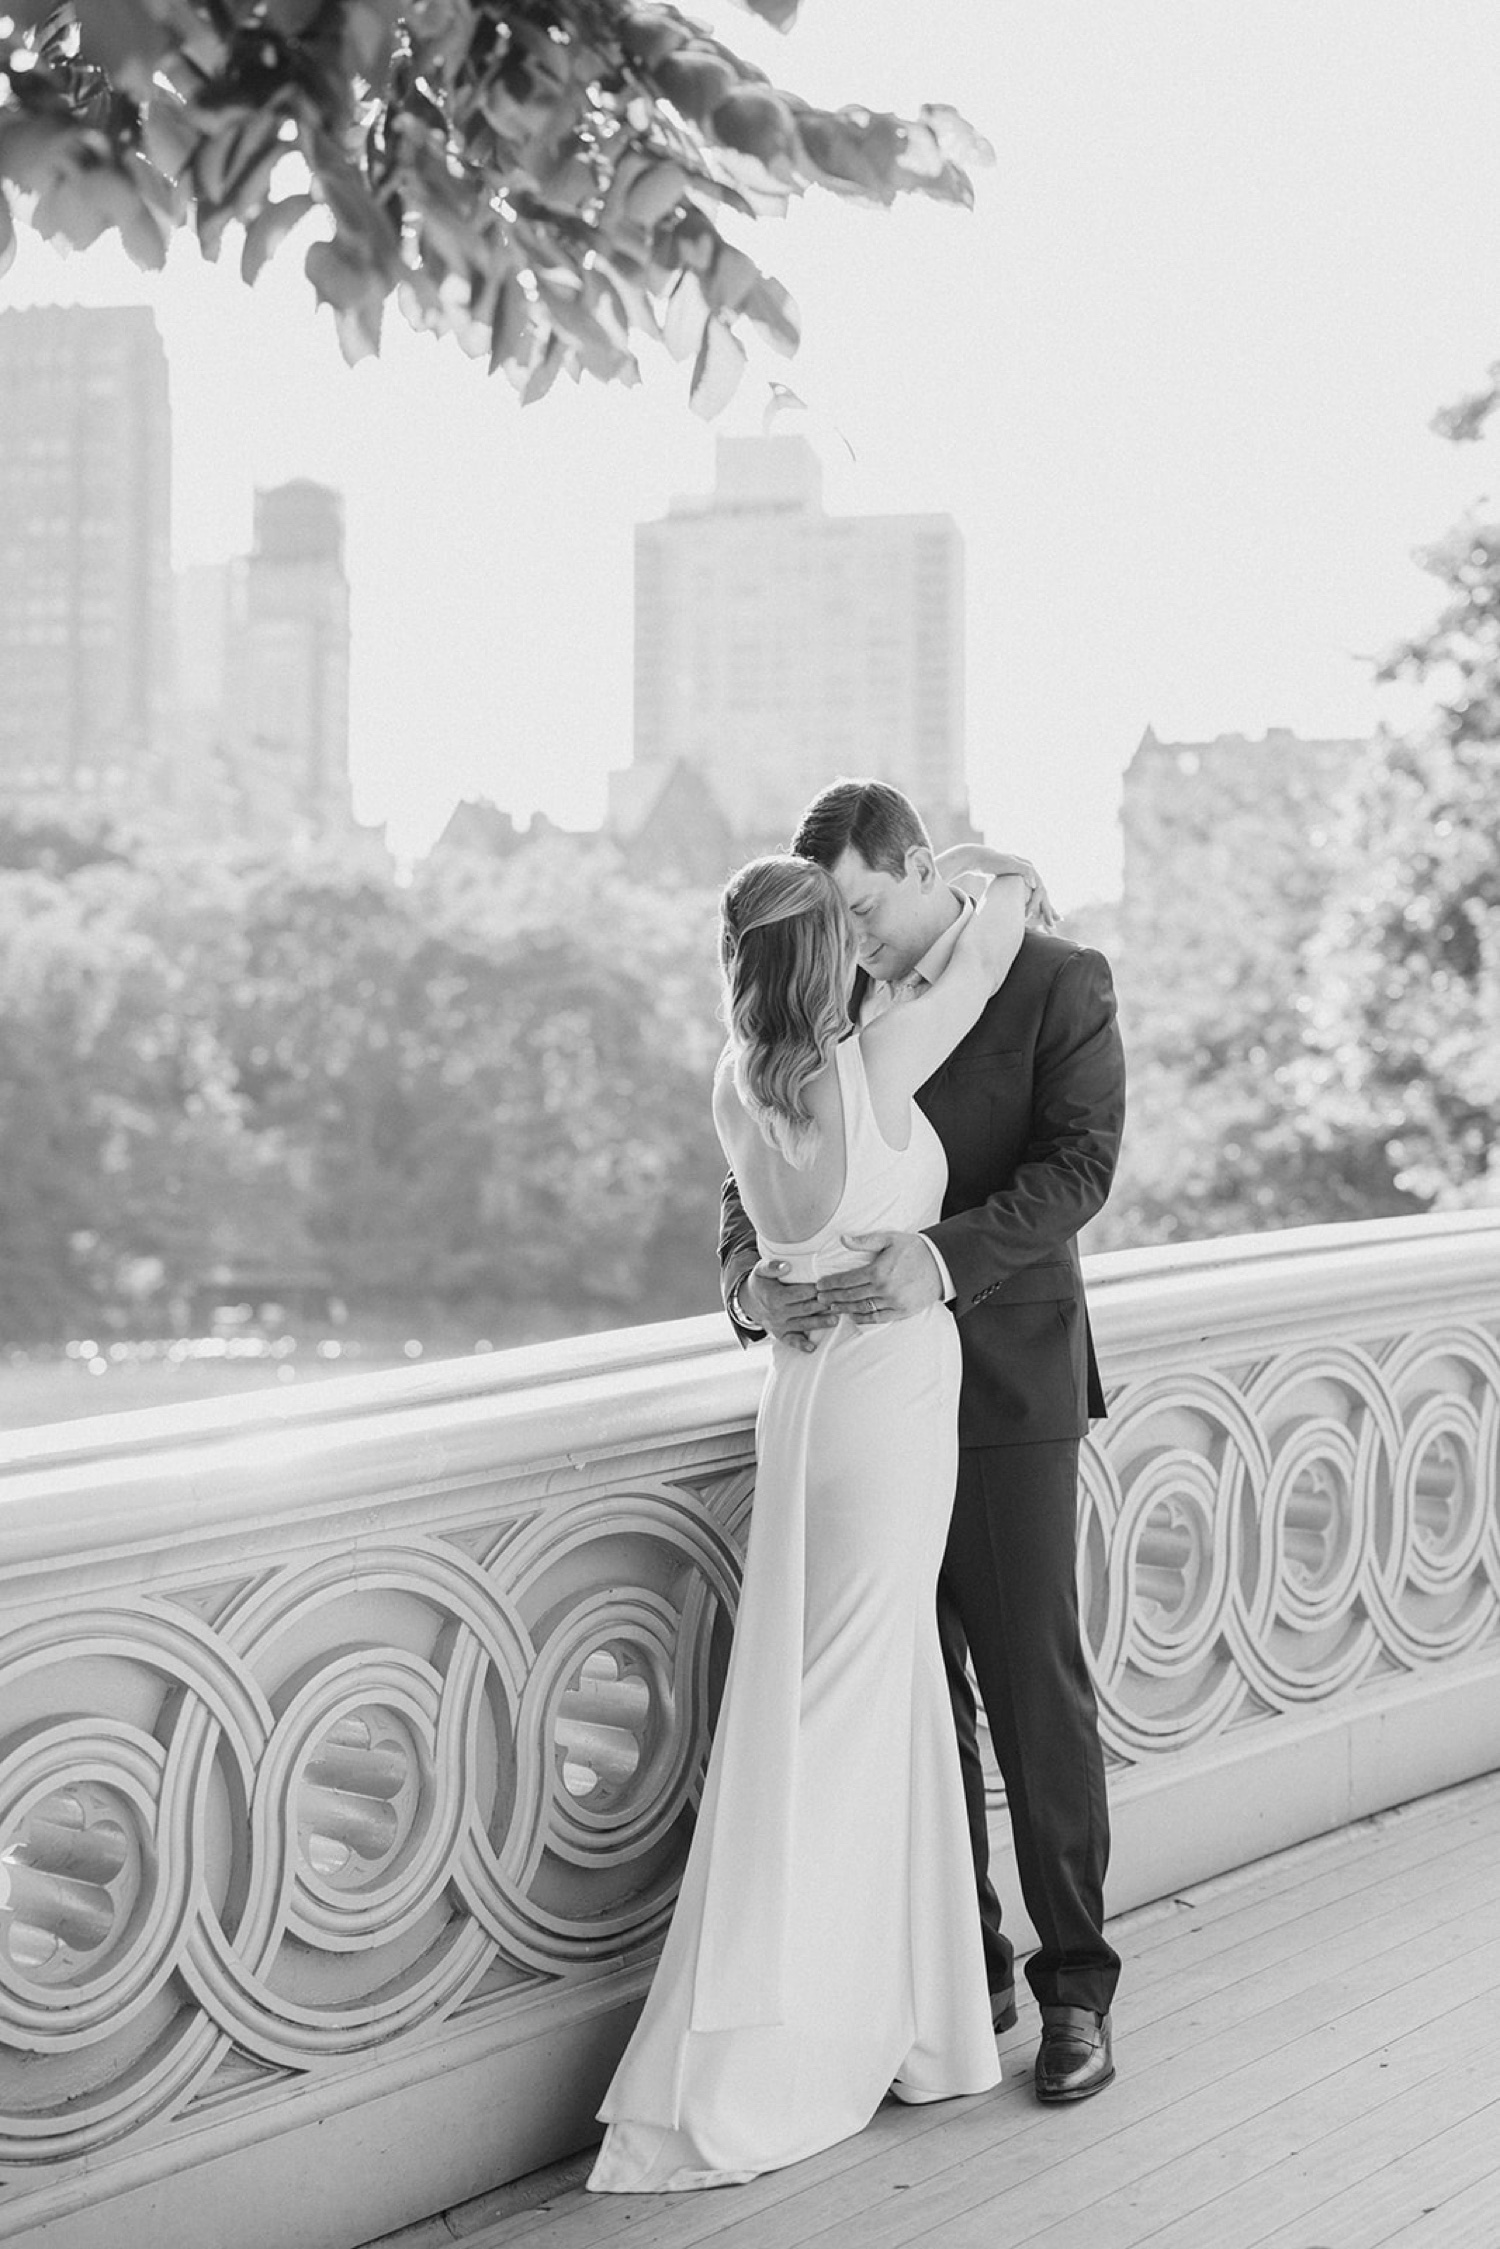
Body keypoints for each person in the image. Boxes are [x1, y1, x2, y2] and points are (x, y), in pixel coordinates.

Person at [588, 848, 1034, 2193]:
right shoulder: (875, 1068)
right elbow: (993, 941)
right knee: (854, 1713)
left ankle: (923, 2020)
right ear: (828, 950)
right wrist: (977, 873)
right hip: (889, 1411)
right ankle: (770, 2051)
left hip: (807, 1402)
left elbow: (769, 1247)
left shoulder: (737, 1080)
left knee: (848, 1702)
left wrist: (757, 1281)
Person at [720, 780, 1125, 2107]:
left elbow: (1079, 1168)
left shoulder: (1062, 978)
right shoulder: (836, 997)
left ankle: (1077, 1989)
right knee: (914, 1698)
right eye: (831, 918)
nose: (851, 940)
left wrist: (939, 1264)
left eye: (860, 908)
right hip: (859, 1399)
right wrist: (748, 1281)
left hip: (1004, 1387)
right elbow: (754, 1160)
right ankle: (970, 1970)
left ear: (911, 868)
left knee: (1030, 1691)